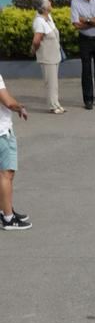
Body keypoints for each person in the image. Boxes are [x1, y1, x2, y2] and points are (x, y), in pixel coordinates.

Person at [0, 75, 30, 231]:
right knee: (6, 174)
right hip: (2, 133)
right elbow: (8, 102)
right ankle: (8, 218)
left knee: (5, 174)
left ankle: (6, 209)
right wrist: (20, 107)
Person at [30, 0, 63, 116]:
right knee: (50, 82)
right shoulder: (39, 22)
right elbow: (36, 40)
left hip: (54, 56)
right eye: (48, 2)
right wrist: (34, 50)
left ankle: (56, 103)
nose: (50, 3)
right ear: (43, 7)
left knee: (54, 82)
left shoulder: (48, 17)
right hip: (47, 57)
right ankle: (52, 106)